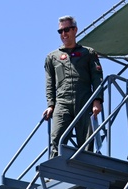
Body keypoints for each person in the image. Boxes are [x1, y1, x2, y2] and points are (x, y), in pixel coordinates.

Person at [43, 15, 104, 157]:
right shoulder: (52, 57)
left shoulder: (87, 53)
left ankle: (86, 169)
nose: (64, 34)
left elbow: (97, 78)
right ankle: (54, 173)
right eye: (60, 31)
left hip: (84, 100)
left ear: (75, 30)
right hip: (62, 102)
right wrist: (51, 105)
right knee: (56, 137)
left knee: (87, 140)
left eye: (67, 30)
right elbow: (49, 83)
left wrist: (97, 100)